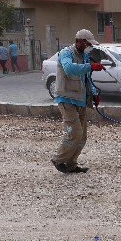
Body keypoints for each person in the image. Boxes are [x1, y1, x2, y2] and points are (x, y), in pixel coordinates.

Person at [50, 29, 103, 174]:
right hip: (67, 99)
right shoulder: (65, 53)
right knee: (74, 132)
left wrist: (94, 94)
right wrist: (90, 66)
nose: (88, 47)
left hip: (80, 100)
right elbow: (69, 69)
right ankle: (59, 159)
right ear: (79, 41)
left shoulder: (85, 56)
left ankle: (71, 164)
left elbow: (87, 79)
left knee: (82, 136)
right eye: (87, 44)